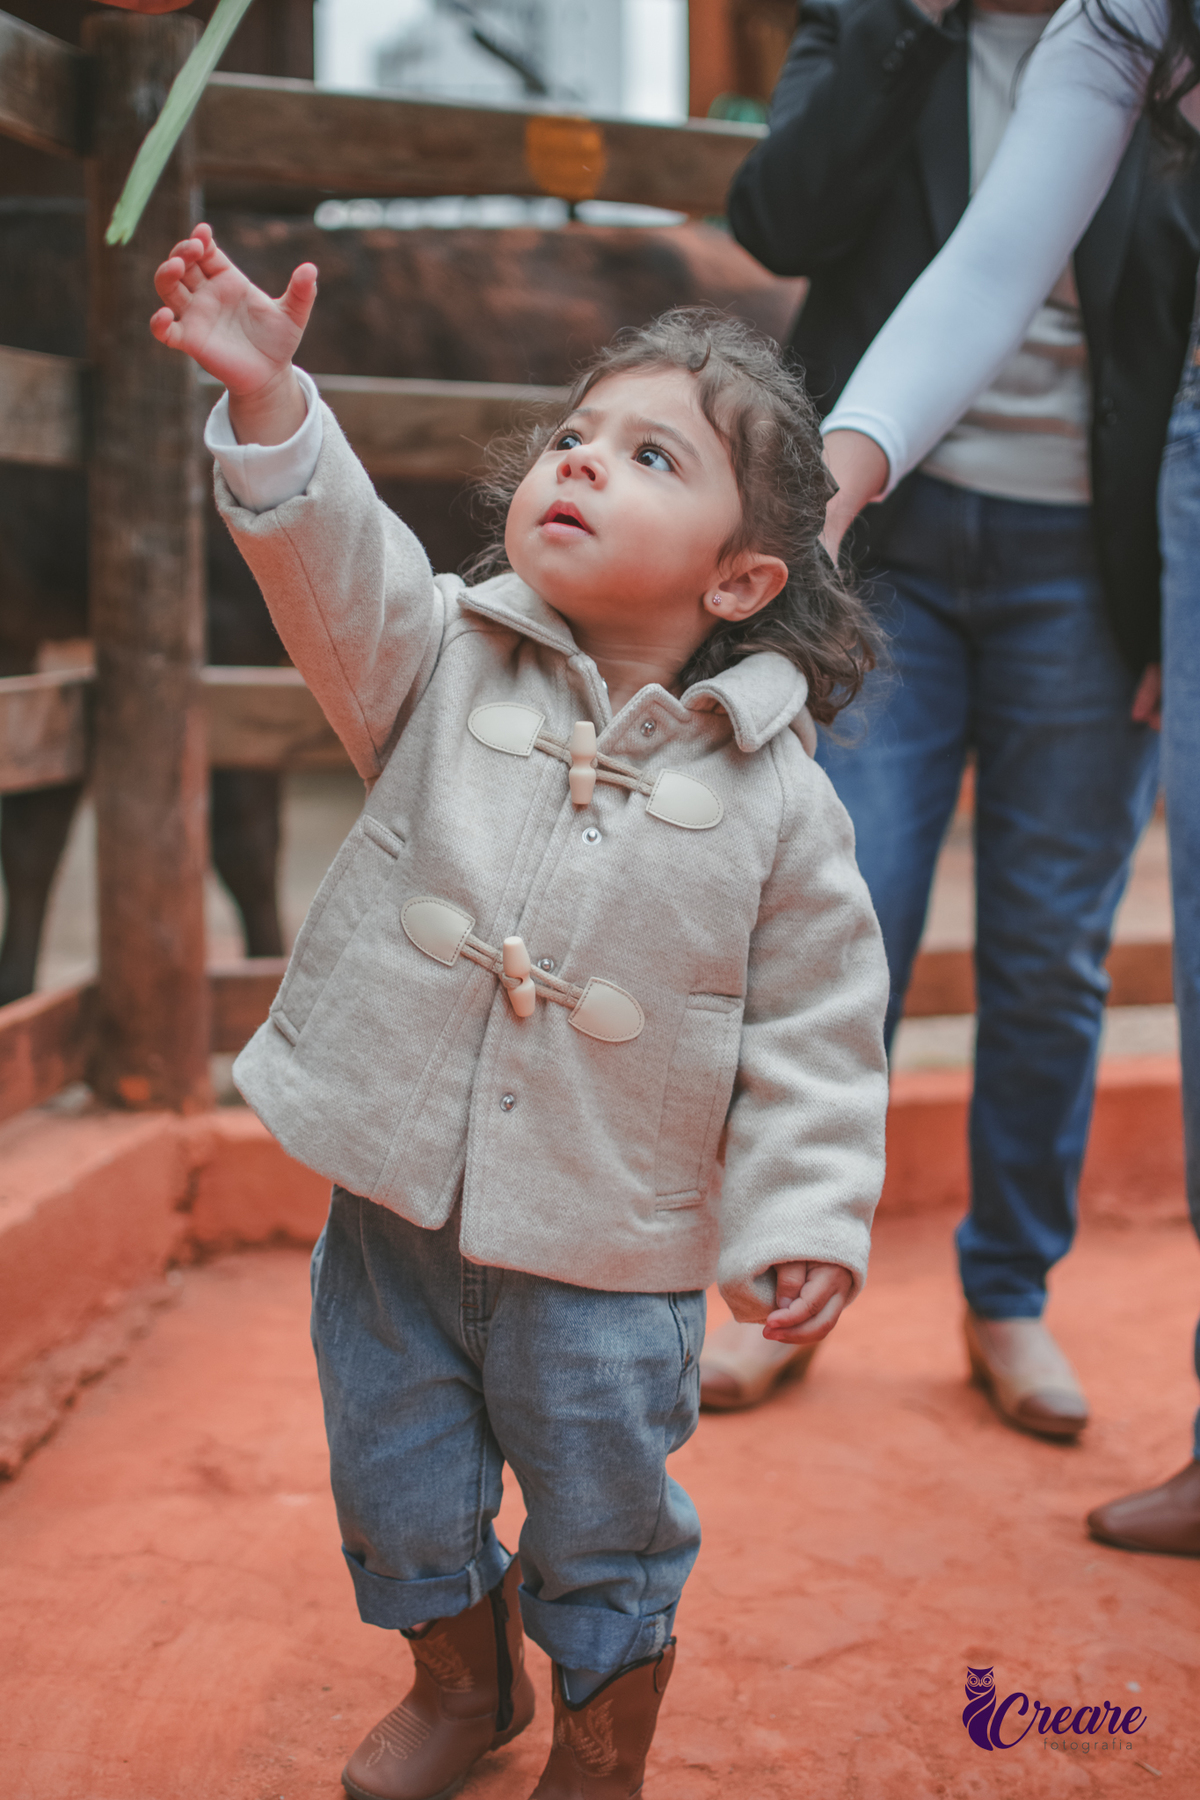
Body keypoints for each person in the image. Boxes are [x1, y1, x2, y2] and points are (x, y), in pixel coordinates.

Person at [148, 224, 890, 1797]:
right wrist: (275, 404)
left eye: (647, 456)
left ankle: (603, 1738)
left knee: (603, 1508)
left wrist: (805, 1210)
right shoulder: (440, 664)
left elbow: (821, 1034)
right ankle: (462, 1686)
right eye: (572, 436)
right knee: (398, 1481)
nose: (581, 466)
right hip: (399, 1213)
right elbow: (331, 557)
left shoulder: (781, 808)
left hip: (611, 1250)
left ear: (742, 574)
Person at [708, 0, 1200, 1435]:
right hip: (887, 558)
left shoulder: (1140, 39)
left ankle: (1008, 1294)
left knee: (1051, 950)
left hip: (1094, 567)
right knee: (835, 917)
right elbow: (781, 215)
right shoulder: (879, 23)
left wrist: (1172, 593)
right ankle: (783, 1273)